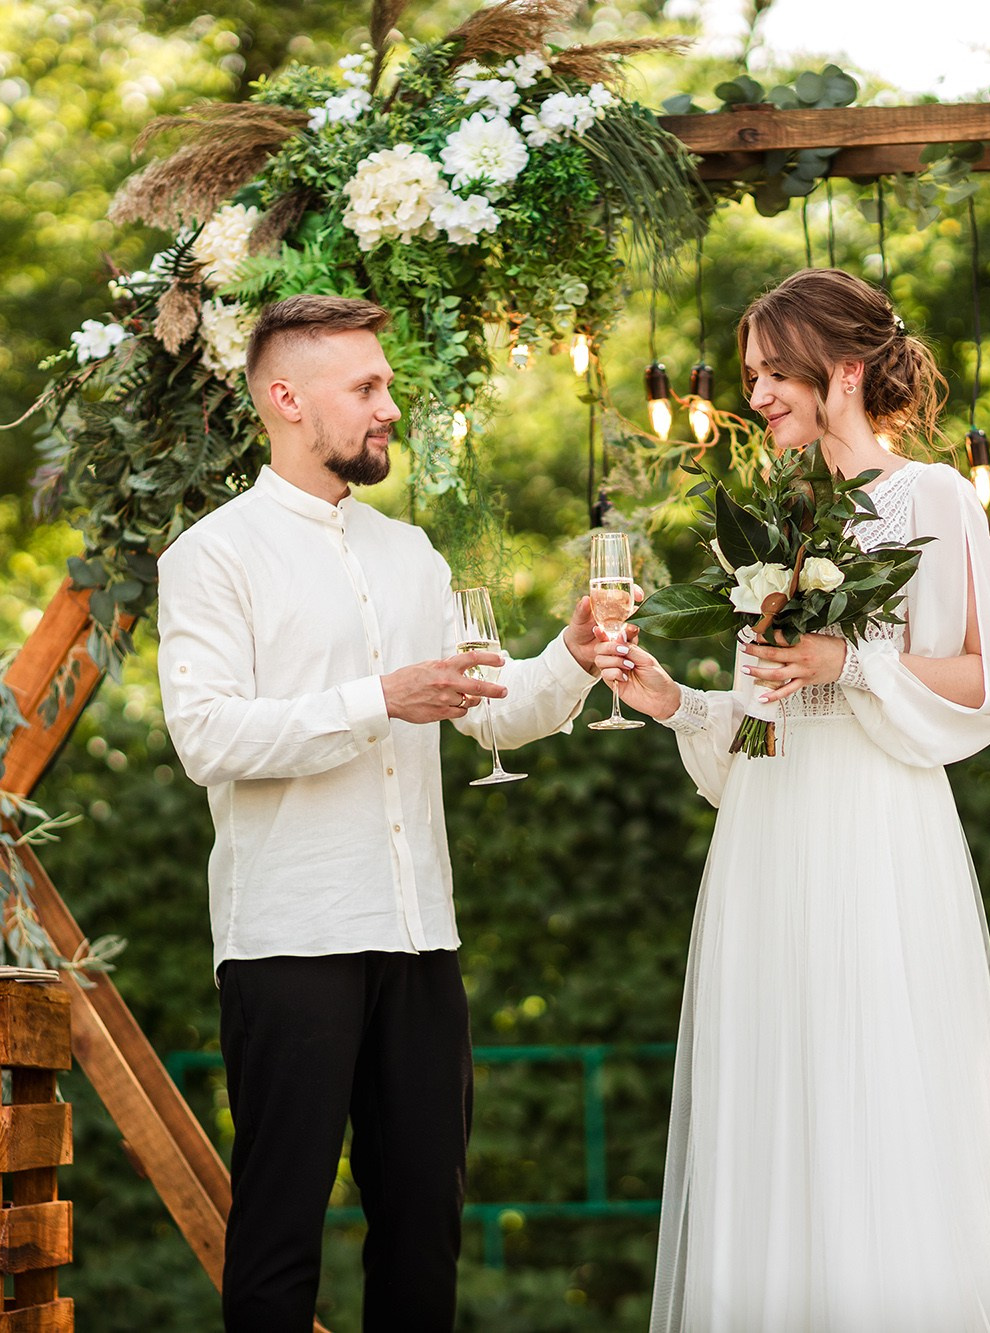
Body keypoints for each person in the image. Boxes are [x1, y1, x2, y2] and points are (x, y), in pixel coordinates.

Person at [595, 268, 990, 1330]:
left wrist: (845, 660)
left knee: (879, 1093)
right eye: (753, 374)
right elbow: (761, 722)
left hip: (874, 831)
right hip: (768, 839)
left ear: (842, 372)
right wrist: (669, 697)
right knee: (776, 1103)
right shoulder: (775, 515)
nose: (755, 394)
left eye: (772, 373)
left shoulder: (933, 499)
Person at [155, 294, 608, 1332]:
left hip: (418, 939)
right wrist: (378, 701)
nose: (387, 406)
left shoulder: (412, 556)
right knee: (278, 1238)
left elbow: (494, 716)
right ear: (284, 399)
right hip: (291, 940)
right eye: (364, 387)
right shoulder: (213, 557)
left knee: (421, 1229)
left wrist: (571, 660)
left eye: (387, 384)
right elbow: (209, 738)